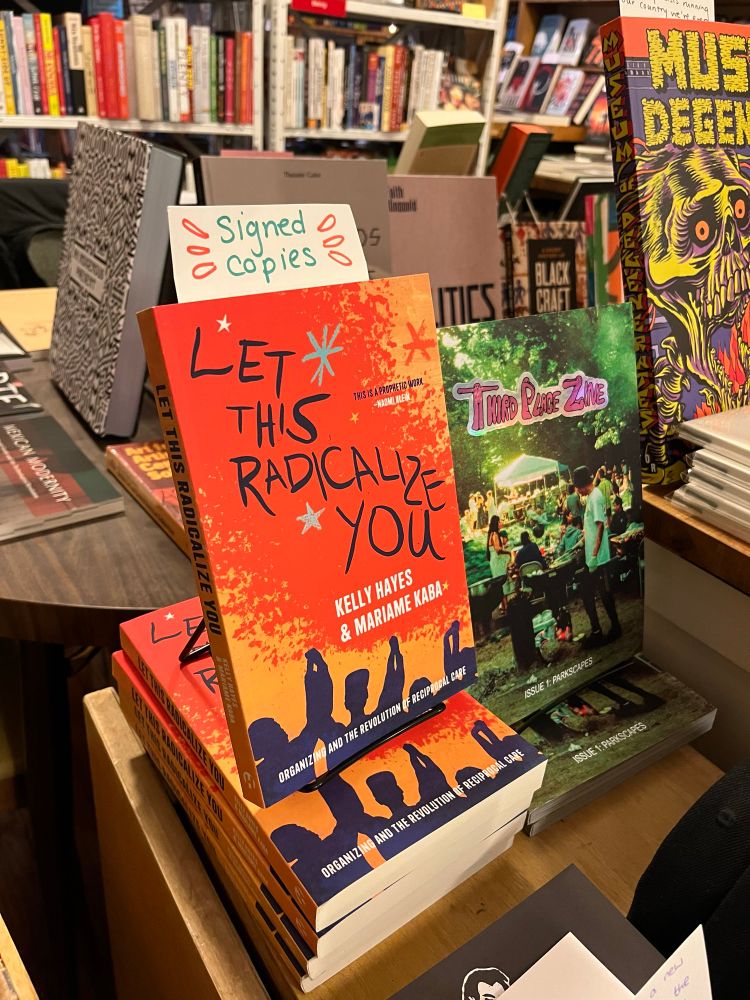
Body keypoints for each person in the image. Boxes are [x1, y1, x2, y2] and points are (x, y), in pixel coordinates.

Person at [573, 465, 621, 647]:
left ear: (582, 485)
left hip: (598, 558)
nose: (577, 491)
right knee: (596, 592)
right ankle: (600, 630)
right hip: (593, 556)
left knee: (602, 593)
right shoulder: (592, 498)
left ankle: (609, 629)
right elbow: (592, 527)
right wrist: (582, 540)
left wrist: (594, 553)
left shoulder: (595, 498)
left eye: (577, 487)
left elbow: (601, 526)